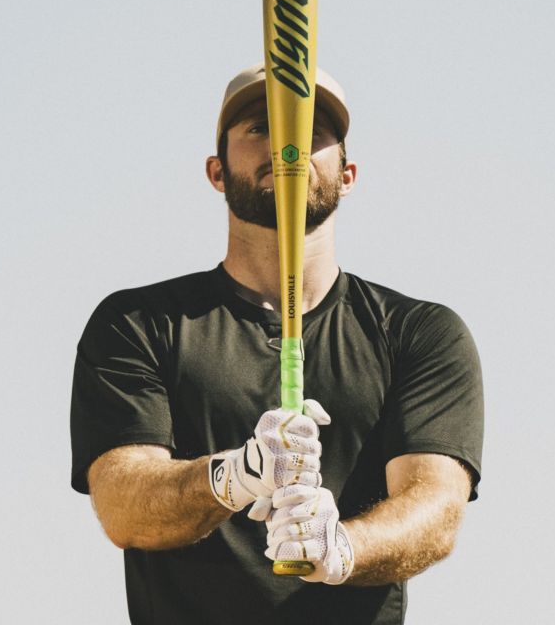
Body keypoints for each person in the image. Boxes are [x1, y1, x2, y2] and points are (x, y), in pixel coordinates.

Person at [70, 63, 484, 625]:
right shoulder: (140, 323)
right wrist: (234, 476)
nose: (287, 144)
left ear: (348, 173)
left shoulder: (419, 333)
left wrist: (340, 547)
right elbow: (123, 505)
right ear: (217, 171)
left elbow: (435, 508)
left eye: (310, 132)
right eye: (259, 128)